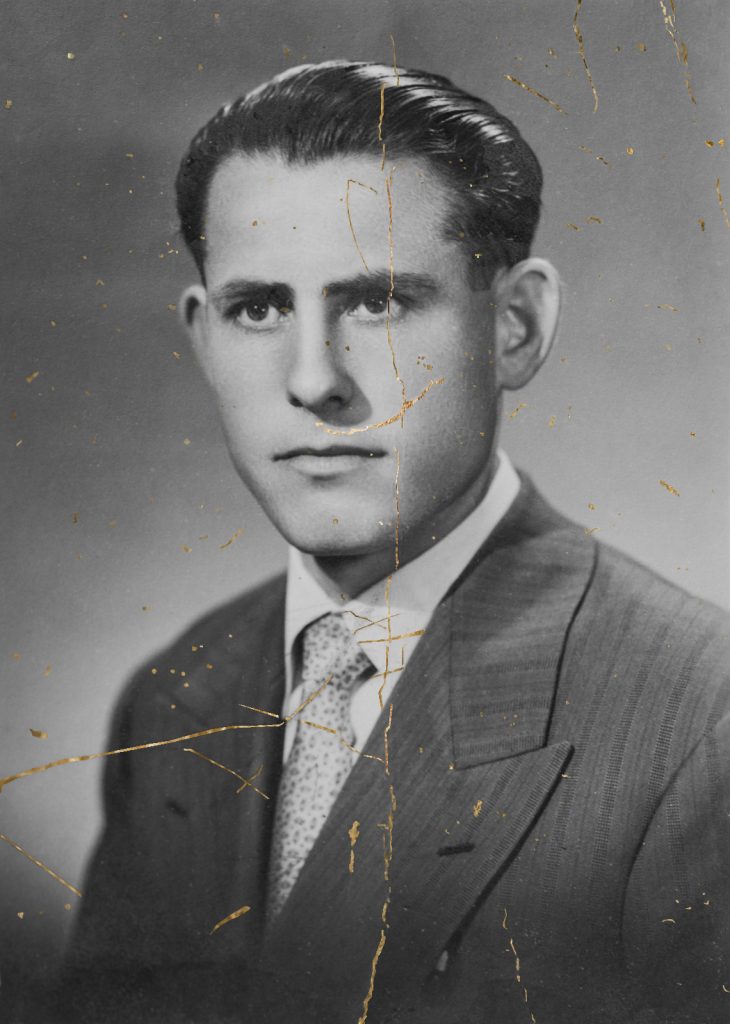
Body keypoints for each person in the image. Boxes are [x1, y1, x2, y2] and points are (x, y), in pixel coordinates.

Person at [59, 61, 730, 1023]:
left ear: (515, 326)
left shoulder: (700, 719)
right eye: (259, 308)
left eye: (376, 302)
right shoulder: (175, 697)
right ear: (205, 340)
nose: (314, 380)